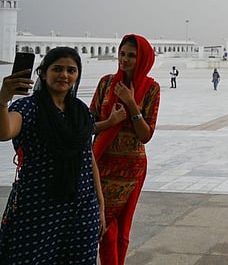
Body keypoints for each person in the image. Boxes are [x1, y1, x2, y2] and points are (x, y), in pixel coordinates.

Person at [0, 47, 105, 264]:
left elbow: (89, 159)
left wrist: (100, 206)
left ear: (77, 75)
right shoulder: (29, 107)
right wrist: (2, 100)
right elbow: (5, 132)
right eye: (57, 69)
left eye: (71, 70)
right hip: (39, 208)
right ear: (43, 73)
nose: (64, 75)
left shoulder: (80, 111)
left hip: (82, 209)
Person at [90, 34, 160, 265]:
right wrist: (110, 122)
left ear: (143, 59)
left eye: (132, 55)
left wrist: (130, 103)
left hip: (131, 169)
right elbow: (88, 125)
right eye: (122, 54)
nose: (125, 59)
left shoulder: (151, 88)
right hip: (101, 164)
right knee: (104, 226)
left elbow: (145, 134)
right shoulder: (106, 83)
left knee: (122, 228)